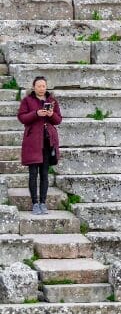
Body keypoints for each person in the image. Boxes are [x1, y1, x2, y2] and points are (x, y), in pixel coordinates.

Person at [17, 76, 61, 215]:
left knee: (44, 174)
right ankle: (35, 203)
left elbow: (58, 120)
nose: (42, 88)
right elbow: (22, 117)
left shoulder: (52, 101)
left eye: (44, 86)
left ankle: (43, 202)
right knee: (33, 174)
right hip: (33, 143)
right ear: (34, 87)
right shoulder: (27, 101)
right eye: (39, 86)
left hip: (48, 142)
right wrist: (36, 113)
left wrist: (51, 114)